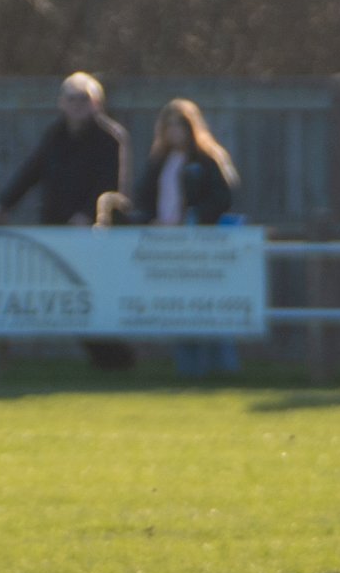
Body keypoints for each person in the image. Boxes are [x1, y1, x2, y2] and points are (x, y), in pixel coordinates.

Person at [0, 72, 135, 369]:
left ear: (97, 103)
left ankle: (117, 360)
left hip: (95, 235)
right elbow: (30, 173)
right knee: (68, 298)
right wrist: (0, 204)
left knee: (92, 297)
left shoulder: (110, 138)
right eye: (71, 98)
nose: (77, 104)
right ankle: (110, 361)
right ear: (61, 103)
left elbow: (111, 184)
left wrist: (88, 214)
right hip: (56, 231)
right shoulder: (54, 136)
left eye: (84, 99)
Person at [99, 97, 241, 378]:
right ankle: (189, 370)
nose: (175, 132)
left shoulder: (206, 160)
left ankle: (224, 369)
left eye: (180, 125)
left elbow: (222, 197)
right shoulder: (159, 162)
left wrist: (194, 217)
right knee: (181, 308)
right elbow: (145, 200)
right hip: (167, 246)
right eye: (169, 126)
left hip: (199, 246)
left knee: (210, 306)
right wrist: (144, 219)